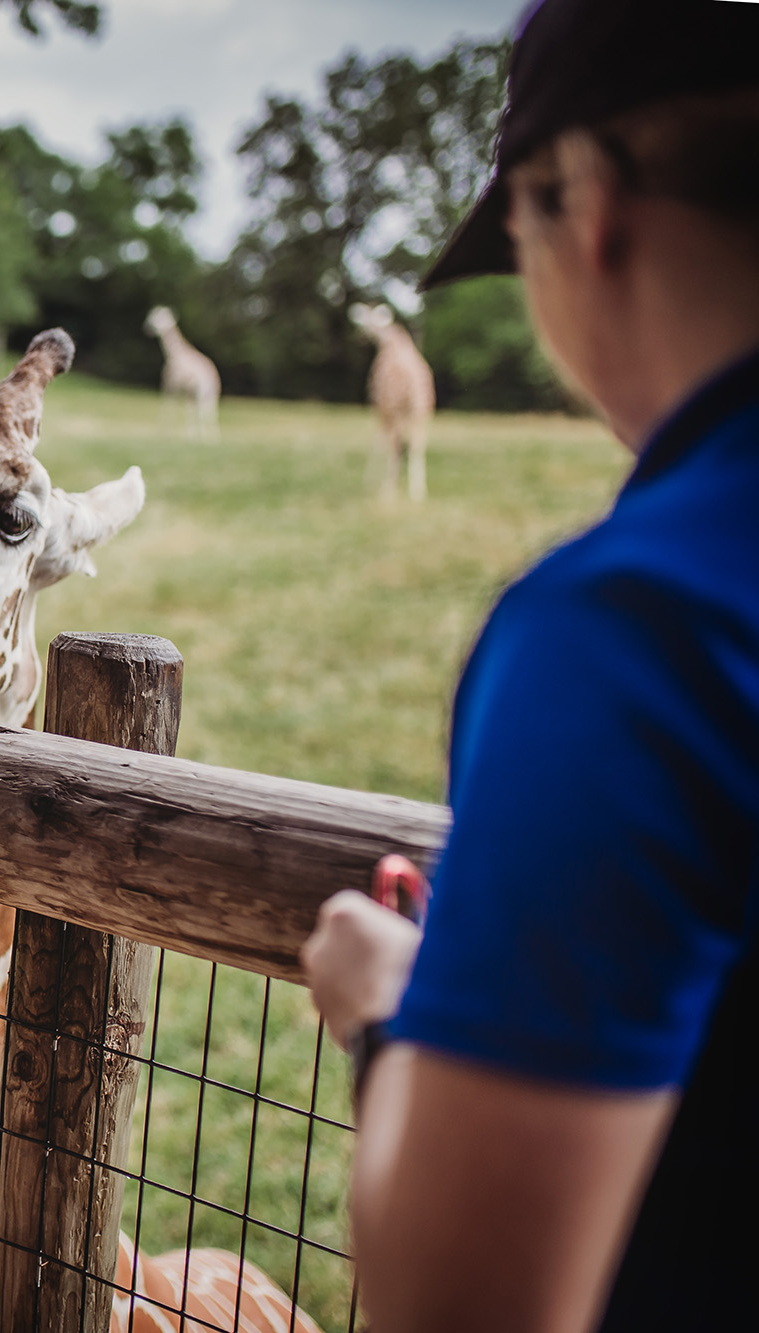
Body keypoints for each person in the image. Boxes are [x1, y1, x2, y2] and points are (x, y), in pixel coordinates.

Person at [300, 2, 759, 1331]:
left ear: (590, 203)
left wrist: (392, 1019)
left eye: (521, 238)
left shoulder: (639, 630)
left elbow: (467, 1306)